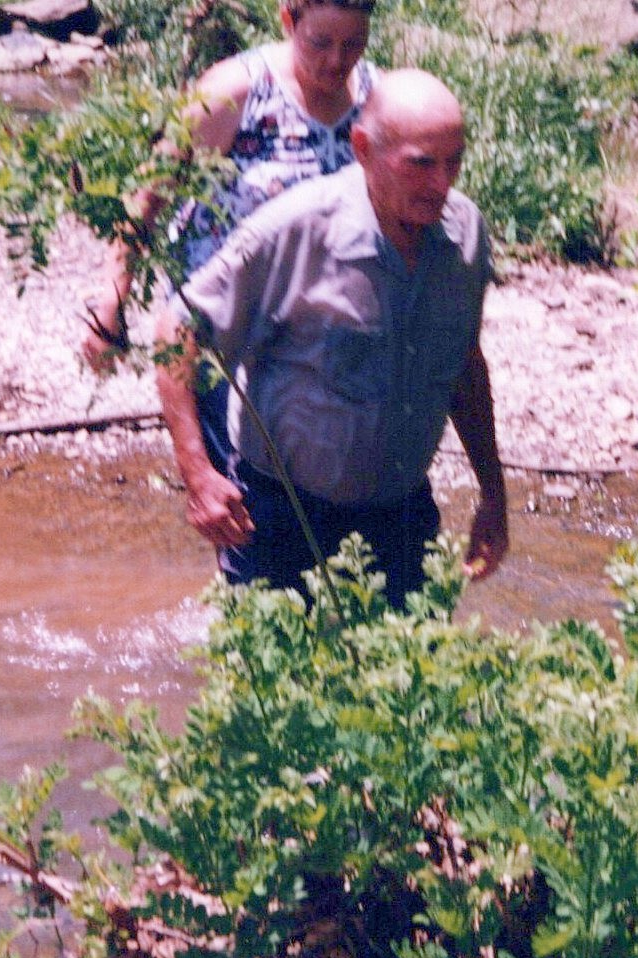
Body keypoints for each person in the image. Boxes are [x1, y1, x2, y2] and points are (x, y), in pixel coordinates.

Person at [153, 68, 508, 606]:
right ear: (363, 149)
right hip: (281, 518)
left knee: (414, 660)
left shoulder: (464, 233)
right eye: (421, 164)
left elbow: (464, 365)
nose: (442, 184)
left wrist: (493, 493)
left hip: (401, 515)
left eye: (453, 162)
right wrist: (199, 475)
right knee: (271, 662)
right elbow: (177, 330)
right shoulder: (296, 228)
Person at [83, 0, 377, 474]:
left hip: (323, 336)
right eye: (320, 43)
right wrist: (110, 306)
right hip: (225, 331)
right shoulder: (233, 92)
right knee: (237, 483)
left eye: (353, 44)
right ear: (288, 20)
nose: (336, 61)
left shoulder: (375, 98)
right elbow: (147, 199)